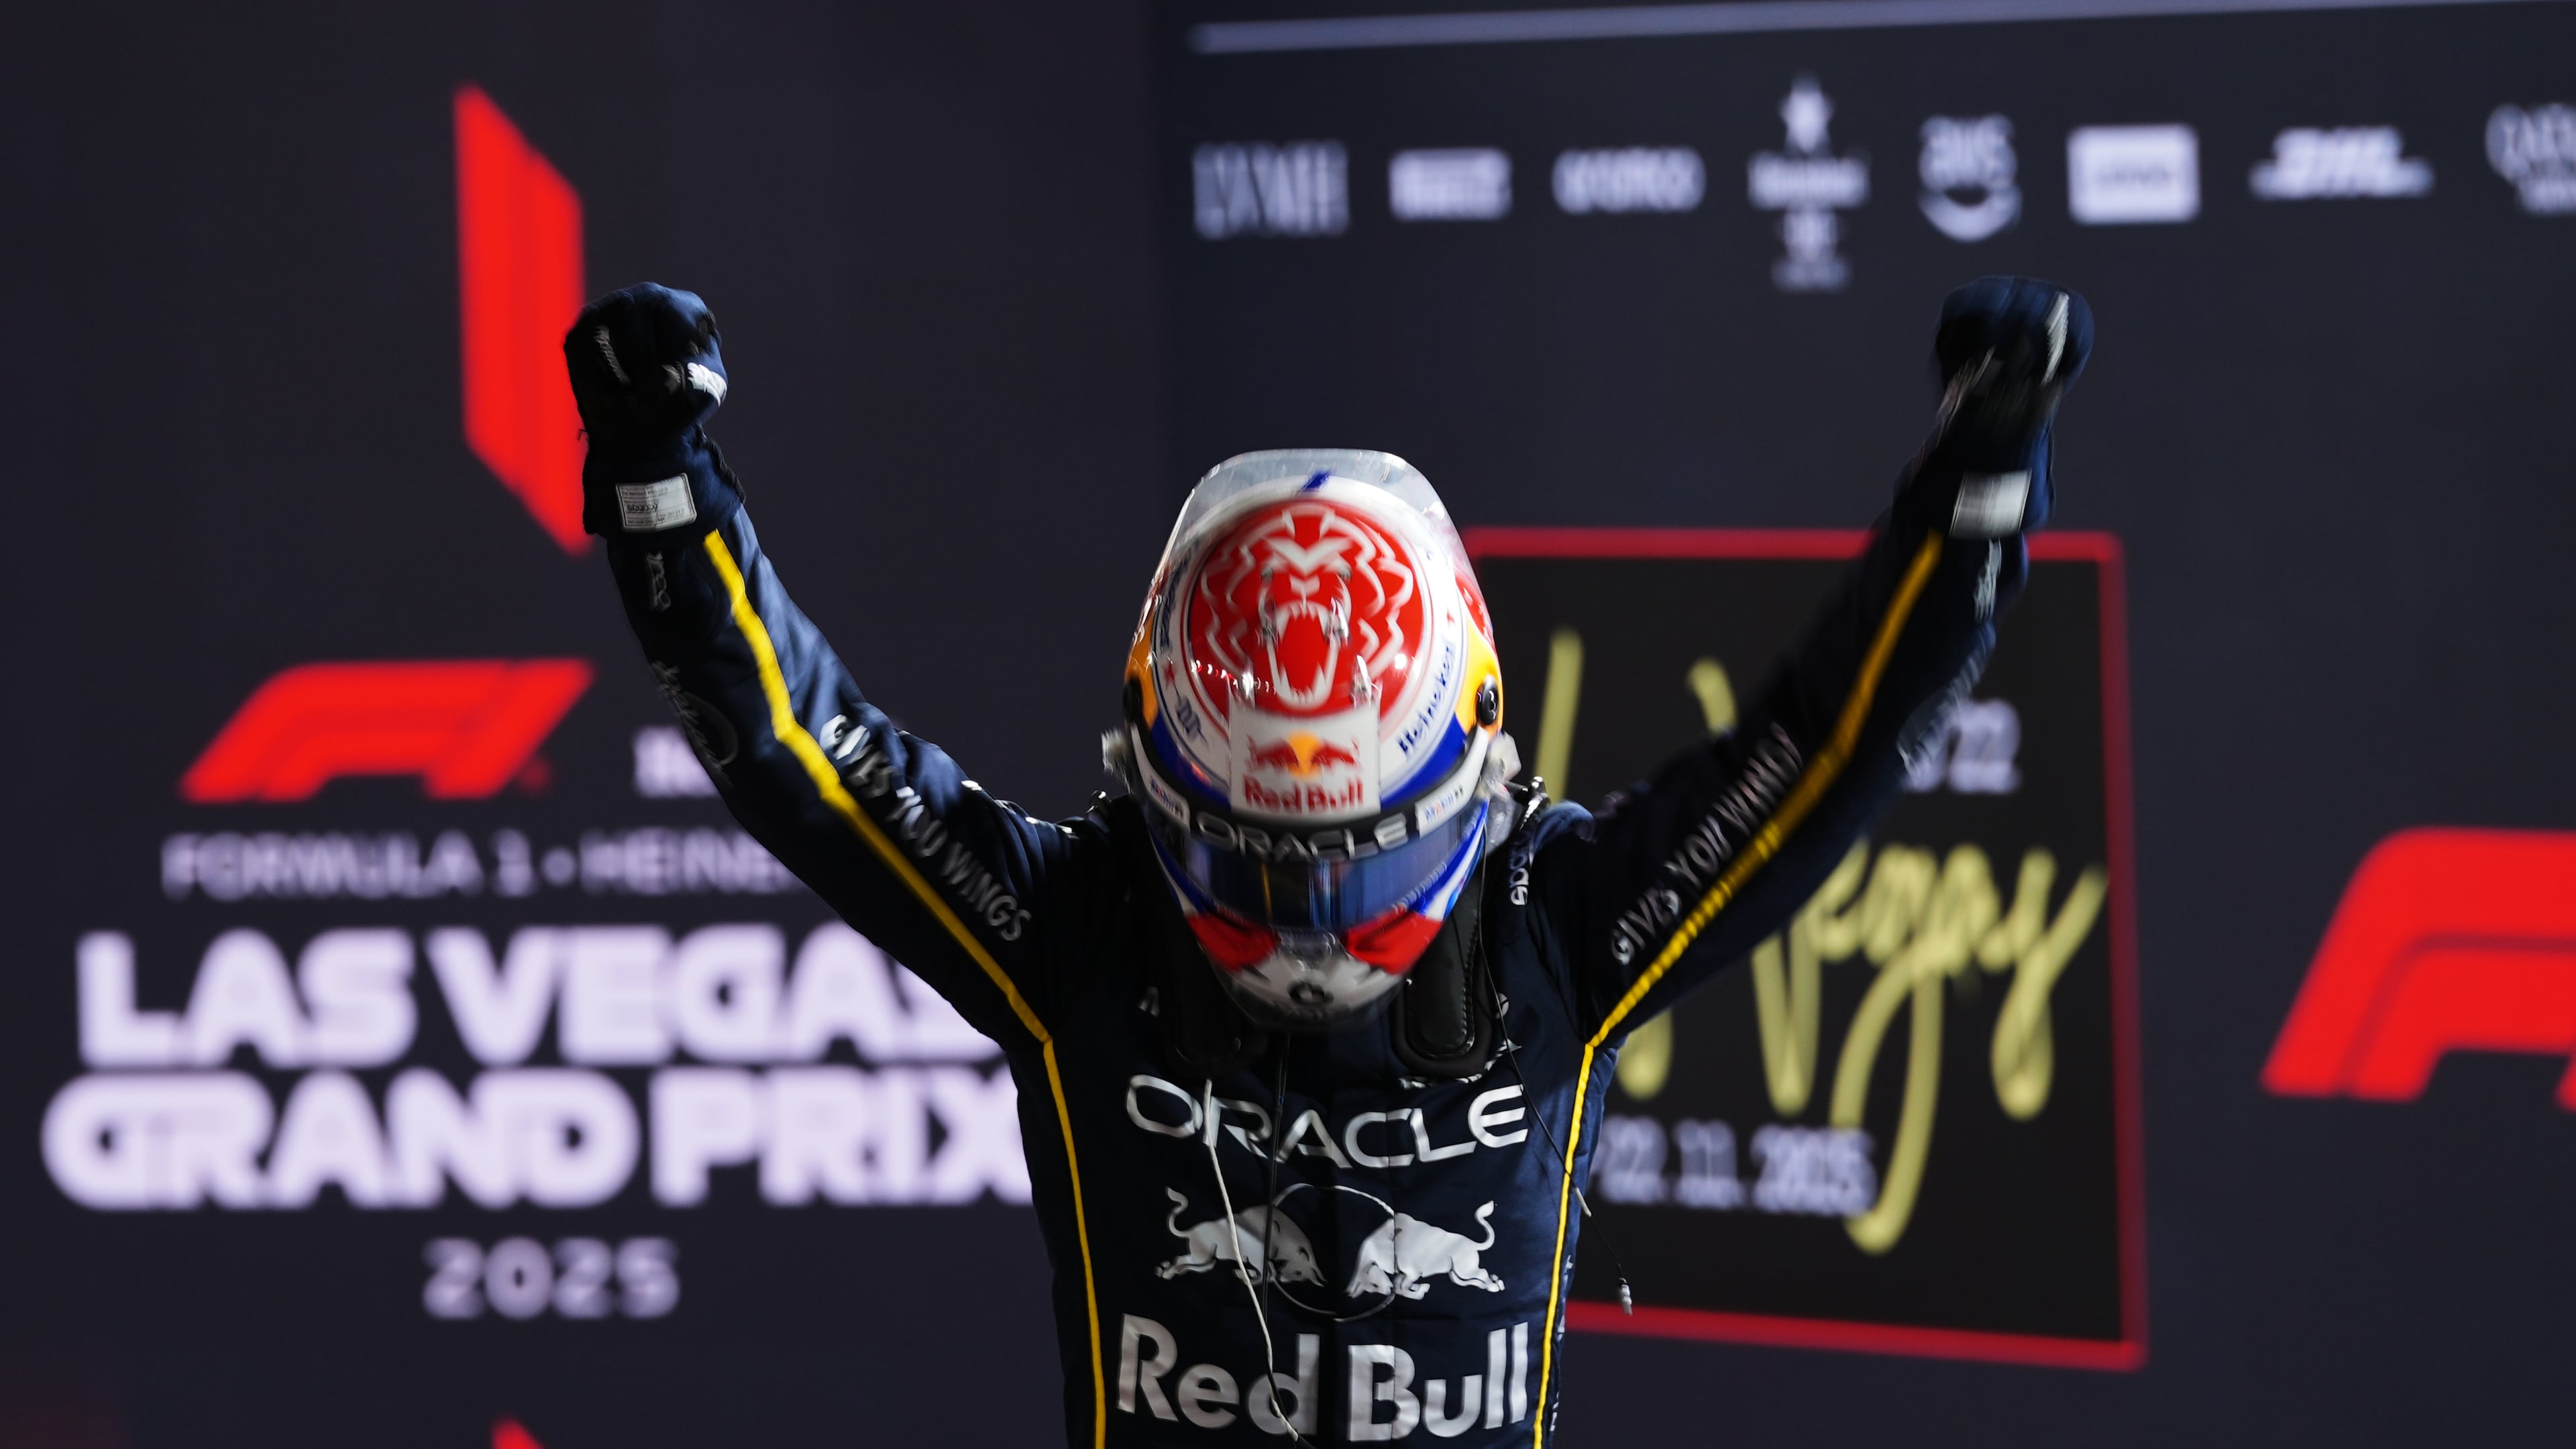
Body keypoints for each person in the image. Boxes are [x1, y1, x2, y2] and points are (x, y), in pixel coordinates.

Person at [563, 276, 2092, 1447]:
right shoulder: (1085, 931)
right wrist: (657, 492)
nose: (1308, 926)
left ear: (1472, 763)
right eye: (1254, 861)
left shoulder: (1552, 923)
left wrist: (1978, 486)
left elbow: (1828, 751)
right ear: (1156, 777)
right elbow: (805, 760)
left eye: (1354, 863)